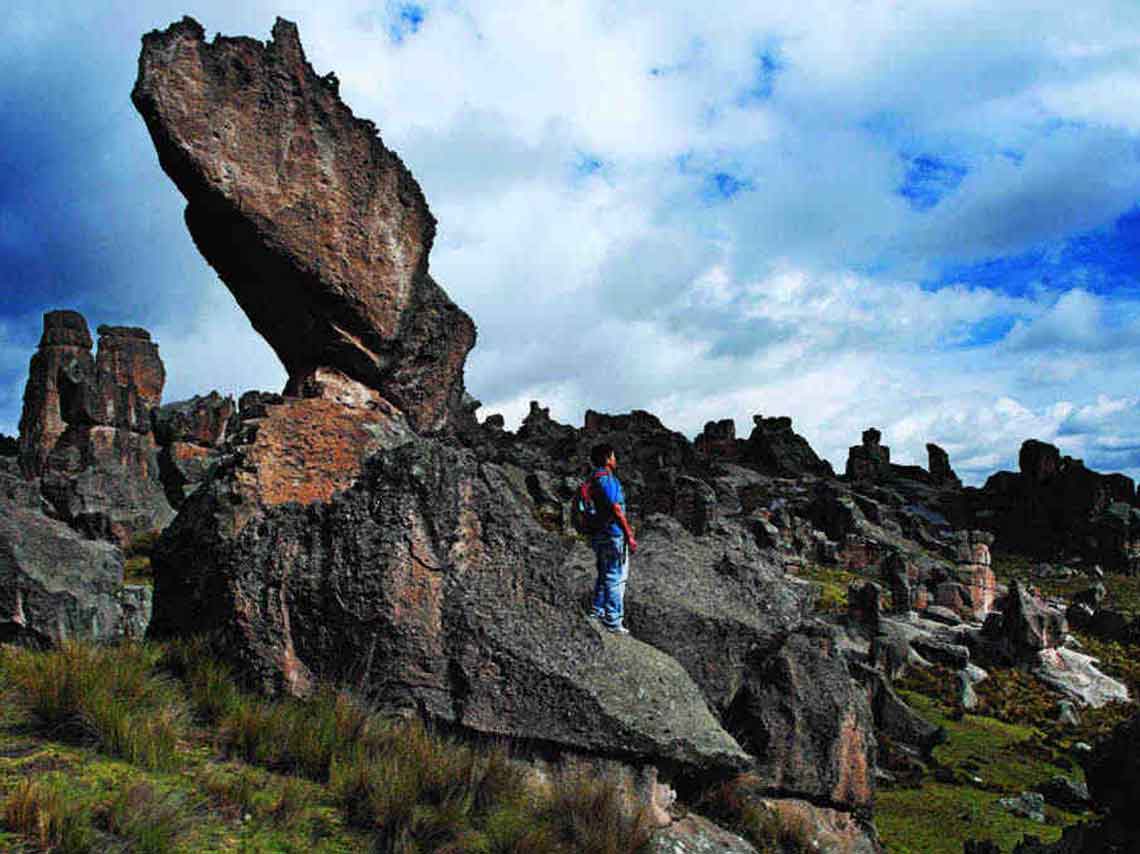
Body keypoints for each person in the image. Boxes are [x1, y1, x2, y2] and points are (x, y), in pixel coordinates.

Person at [587, 443, 638, 634]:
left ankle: (597, 610)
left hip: (600, 533)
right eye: (614, 457)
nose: (615, 460)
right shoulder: (606, 479)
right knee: (615, 576)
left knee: (604, 573)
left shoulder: (593, 479)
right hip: (613, 534)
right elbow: (616, 508)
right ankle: (613, 621)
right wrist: (629, 534)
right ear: (608, 459)